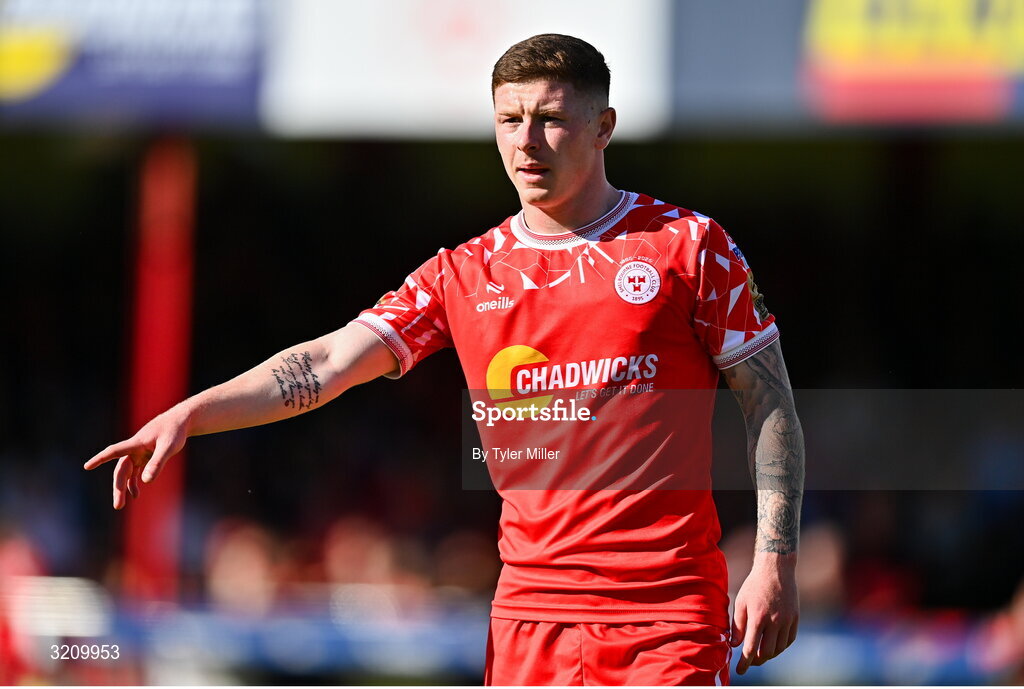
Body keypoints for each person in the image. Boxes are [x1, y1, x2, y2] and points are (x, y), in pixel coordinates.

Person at [86, 34, 804, 685]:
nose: (528, 141)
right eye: (509, 120)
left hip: (664, 616)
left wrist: (775, 560)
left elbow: (768, 402)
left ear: (603, 126)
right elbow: (329, 360)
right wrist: (192, 413)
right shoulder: (464, 273)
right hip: (527, 621)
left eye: (551, 118)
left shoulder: (688, 247)